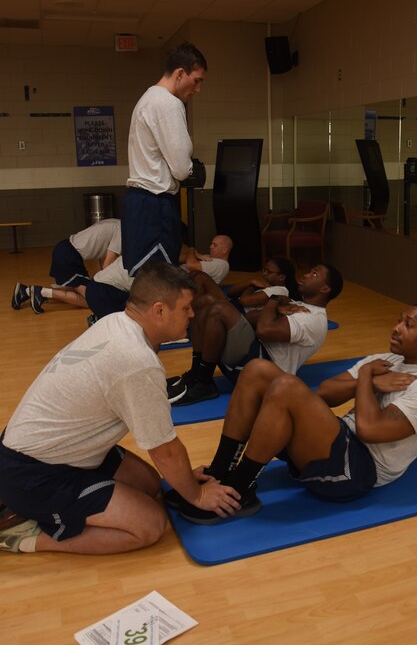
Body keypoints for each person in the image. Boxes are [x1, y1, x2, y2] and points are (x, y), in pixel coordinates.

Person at [0, 263, 242, 555]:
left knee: (151, 484)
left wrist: (184, 480)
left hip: (54, 450)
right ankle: (23, 536)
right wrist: (197, 492)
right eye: (186, 308)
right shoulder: (136, 360)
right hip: (34, 473)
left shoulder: (117, 321)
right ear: (160, 310)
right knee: (149, 525)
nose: (192, 315)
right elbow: (164, 449)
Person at [165, 302, 417, 524]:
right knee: (256, 370)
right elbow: (325, 393)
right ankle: (220, 471)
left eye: (408, 325)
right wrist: (367, 379)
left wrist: (366, 377)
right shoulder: (387, 360)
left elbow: (369, 430)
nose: (397, 328)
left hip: (357, 470)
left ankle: (239, 490)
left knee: (286, 388)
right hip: (336, 442)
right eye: (399, 321)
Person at [167, 264, 344, 406]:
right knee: (206, 306)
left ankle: (204, 382)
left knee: (218, 309)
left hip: (265, 373)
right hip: (251, 357)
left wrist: (274, 300)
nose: (306, 275)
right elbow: (249, 318)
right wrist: (277, 305)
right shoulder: (296, 304)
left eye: (314, 274)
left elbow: (264, 331)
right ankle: (197, 374)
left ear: (325, 288)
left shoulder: (313, 319)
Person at [122, 41, 207, 278]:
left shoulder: (148, 98)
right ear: (180, 73)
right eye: (197, 80)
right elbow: (181, 169)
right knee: (160, 282)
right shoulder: (168, 103)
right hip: (155, 203)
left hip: (141, 202)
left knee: (146, 280)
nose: (198, 89)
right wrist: (191, 169)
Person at [11, 218, 121, 310]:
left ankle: (25, 291)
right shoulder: (121, 231)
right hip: (69, 256)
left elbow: (104, 260)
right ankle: (42, 292)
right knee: (92, 300)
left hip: (66, 249)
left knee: (75, 288)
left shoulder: (115, 223)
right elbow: (107, 266)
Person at [226, 256, 299, 311]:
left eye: (269, 272)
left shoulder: (279, 290)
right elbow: (230, 292)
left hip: (239, 312)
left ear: (281, 277)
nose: (264, 274)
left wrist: (252, 286)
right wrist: (251, 281)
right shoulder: (266, 283)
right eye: (264, 270)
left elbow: (244, 301)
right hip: (233, 305)